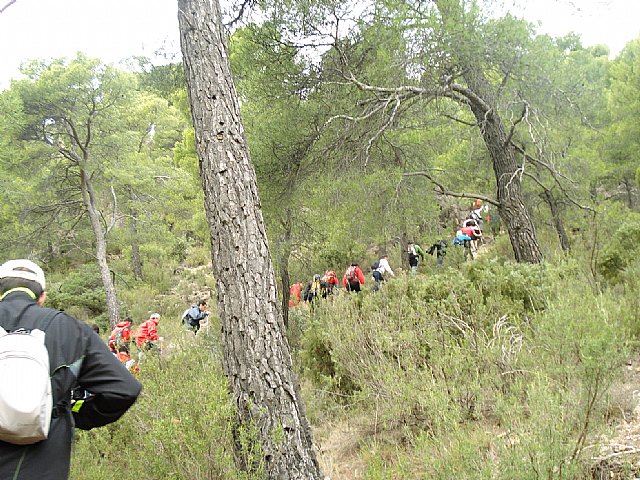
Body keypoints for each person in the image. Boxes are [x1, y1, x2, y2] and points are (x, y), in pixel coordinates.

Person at [0, 259, 141, 479]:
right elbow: (125, 389)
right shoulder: (68, 328)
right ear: (42, 297)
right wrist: (74, 414)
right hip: (42, 468)